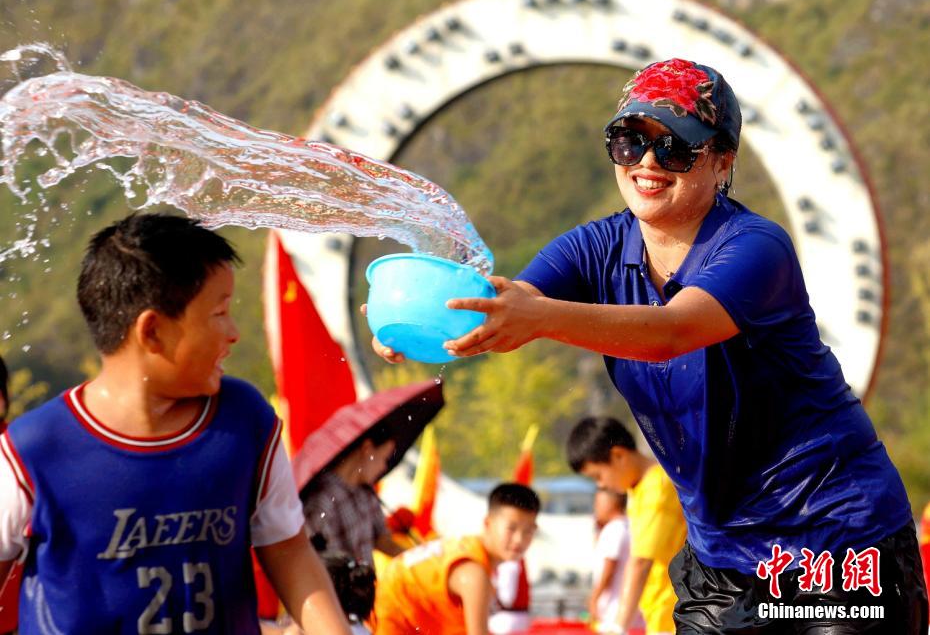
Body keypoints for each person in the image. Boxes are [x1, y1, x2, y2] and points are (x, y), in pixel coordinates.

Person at [372, 57, 928, 633]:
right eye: (629, 141)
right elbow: (513, 305)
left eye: (675, 147)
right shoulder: (594, 248)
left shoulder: (756, 248)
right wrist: (414, 316)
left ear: (722, 161)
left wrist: (536, 318)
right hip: (722, 556)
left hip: (837, 542)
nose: (647, 162)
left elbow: (672, 333)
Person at [0, 213, 350, 634]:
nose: (234, 332)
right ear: (152, 331)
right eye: (219, 312)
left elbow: (289, 549)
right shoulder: (33, 450)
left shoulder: (244, 423)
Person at [372, 482, 539, 635]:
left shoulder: (464, 547)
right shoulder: (473, 573)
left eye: (529, 531)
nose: (519, 539)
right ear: (488, 523)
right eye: (511, 528)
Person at [570, 418, 683, 635]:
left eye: (598, 476)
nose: (601, 485)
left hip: (673, 614)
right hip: (661, 614)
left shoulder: (657, 487)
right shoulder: (638, 489)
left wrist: (618, 626)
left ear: (618, 455)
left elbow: (641, 561)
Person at [302, 422, 406, 567]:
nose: (383, 466)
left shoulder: (366, 492)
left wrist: (420, 557)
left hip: (367, 578)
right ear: (367, 448)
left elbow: (382, 538)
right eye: (384, 457)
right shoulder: (323, 498)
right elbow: (312, 555)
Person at [588, 487, 646, 633]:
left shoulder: (614, 529)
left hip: (612, 609)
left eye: (597, 503)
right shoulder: (632, 525)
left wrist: (594, 599)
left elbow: (609, 568)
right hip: (632, 608)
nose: (595, 508)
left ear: (610, 503)